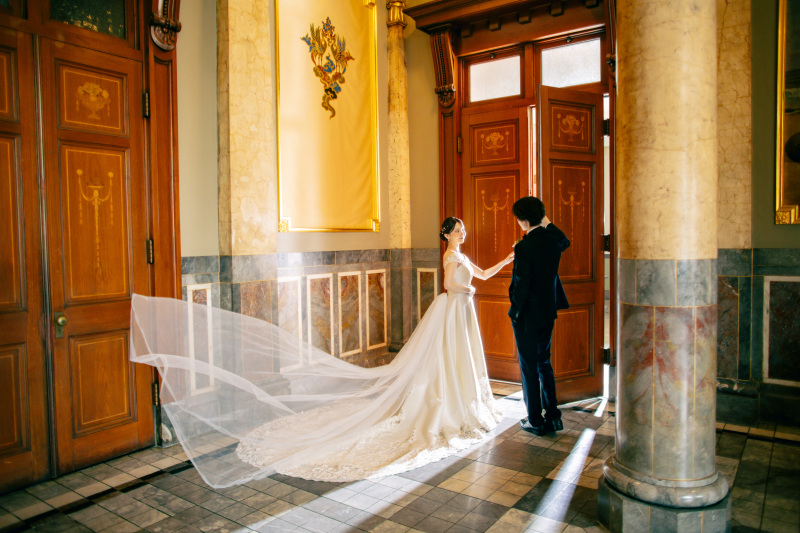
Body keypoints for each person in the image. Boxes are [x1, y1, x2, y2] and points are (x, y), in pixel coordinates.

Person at [129, 218, 513, 487]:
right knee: (446, 359)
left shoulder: (463, 256)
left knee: (461, 358)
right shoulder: (450, 257)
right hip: (453, 309)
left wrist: (507, 261)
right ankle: (450, 405)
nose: (463, 232)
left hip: (462, 313)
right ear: (448, 234)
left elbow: (481, 275)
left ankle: (465, 402)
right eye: (458, 228)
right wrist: (468, 292)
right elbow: (451, 285)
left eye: (462, 229)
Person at [508, 196, 570, 436]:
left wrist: (515, 311)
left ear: (522, 221)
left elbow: (521, 283)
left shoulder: (524, 246)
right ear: (541, 216)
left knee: (528, 367)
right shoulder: (553, 240)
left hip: (527, 315)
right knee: (544, 362)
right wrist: (544, 218)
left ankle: (534, 419)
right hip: (547, 310)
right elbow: (564, 239)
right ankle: (553, 416)